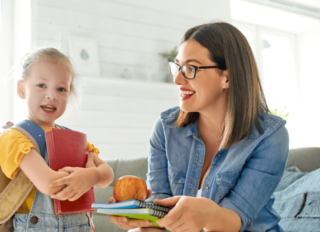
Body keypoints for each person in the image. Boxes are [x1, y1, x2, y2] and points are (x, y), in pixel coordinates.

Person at [109, 22, 289, 232]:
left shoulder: (269, 137)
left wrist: (208, 213)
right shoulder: (165, 129)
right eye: (177, 67)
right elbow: (160, 216)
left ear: (227, 78)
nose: (177, 79)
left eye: (190, 68)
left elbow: (236, 220)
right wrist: (140, 224)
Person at [0, 47, 114, 232]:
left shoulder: (73, 139)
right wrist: (88, 176)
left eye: (61, 89)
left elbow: (107, 174)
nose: (52, 95)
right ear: (21, 88)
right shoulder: (15, 137)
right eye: (41, 85)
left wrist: (93, 175)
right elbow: (50, 185)